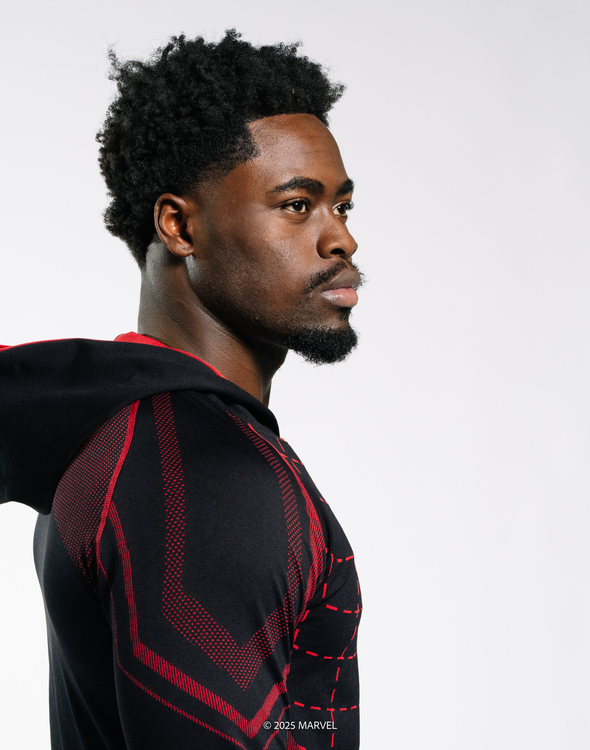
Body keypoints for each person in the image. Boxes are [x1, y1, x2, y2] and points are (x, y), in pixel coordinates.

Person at [0, 31, 362, 749]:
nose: (341, 241)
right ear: (179, 225)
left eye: (342, 208)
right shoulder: (201, 471)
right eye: (297, 205)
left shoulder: (125, 438)